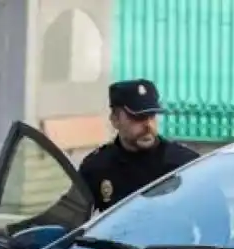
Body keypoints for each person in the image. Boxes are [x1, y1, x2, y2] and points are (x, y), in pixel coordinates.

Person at [80, 79, 200, 212]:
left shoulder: (185, 164)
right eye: (138, 118)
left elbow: (214, 214)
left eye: (152, 116)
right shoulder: (96, 167)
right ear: (115, 120)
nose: (148, 125)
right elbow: (71, 219)